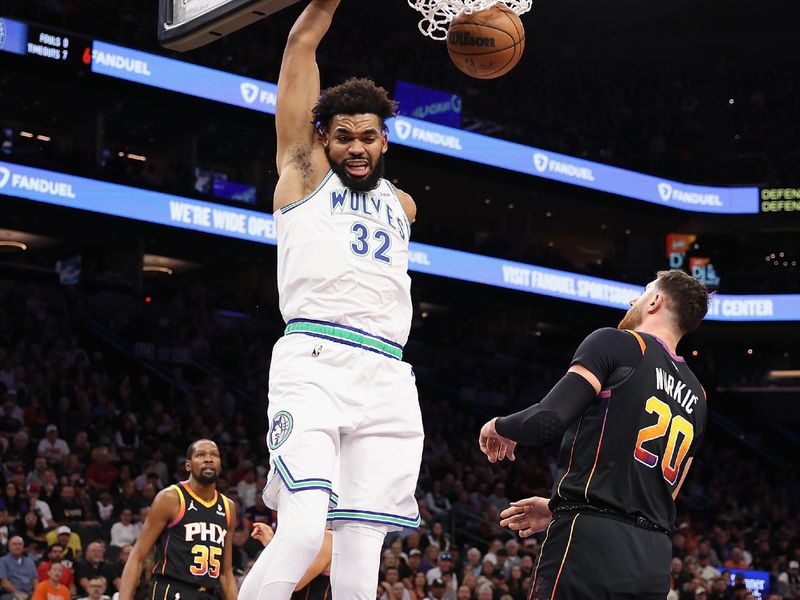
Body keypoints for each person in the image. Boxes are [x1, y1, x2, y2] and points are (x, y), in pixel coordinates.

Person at [239, 1, 423, 599]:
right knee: (301, 529)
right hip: (316, 359)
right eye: (343, 135)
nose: (357, 146)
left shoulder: (403, 206)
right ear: (323, 138)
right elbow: (300, 46)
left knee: (361, 548)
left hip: (388, 375)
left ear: (385, 140)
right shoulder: (303, 172)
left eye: (368, 135)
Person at [479, 269, 710, 599]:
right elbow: (663, 493)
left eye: (642, 293)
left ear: (656, 301)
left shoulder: (620, 343)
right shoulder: (699, 394)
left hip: (589, 544)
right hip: (654, 558)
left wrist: (498, 426)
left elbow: (547, 419)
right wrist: (556, 505)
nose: (633, 300)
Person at [118, 440, 237, 600]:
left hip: (209, 594)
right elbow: (137, 556)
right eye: (201, 455)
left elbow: (225, 573)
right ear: (188, 465)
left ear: (220, 464)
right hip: (172, 590)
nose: (209, 459)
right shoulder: (170, 498)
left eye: (214, 455)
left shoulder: (228, 507)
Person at [250, 522, 332, 599]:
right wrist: (271, 543)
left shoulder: (327, 538)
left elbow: (293, 582)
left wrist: (272, 545)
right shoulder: (308, 535)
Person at [0, 536, 38, 600]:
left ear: (23, 547)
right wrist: (18, 593)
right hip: (10, 594)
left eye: (20, 544)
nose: (17, 546)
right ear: (9, 547)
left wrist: (37, 594)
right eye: (14, 544)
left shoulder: (30, 561)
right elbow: (4, 582)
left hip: (29, 594)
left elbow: (35, 580)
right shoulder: (2, 561)